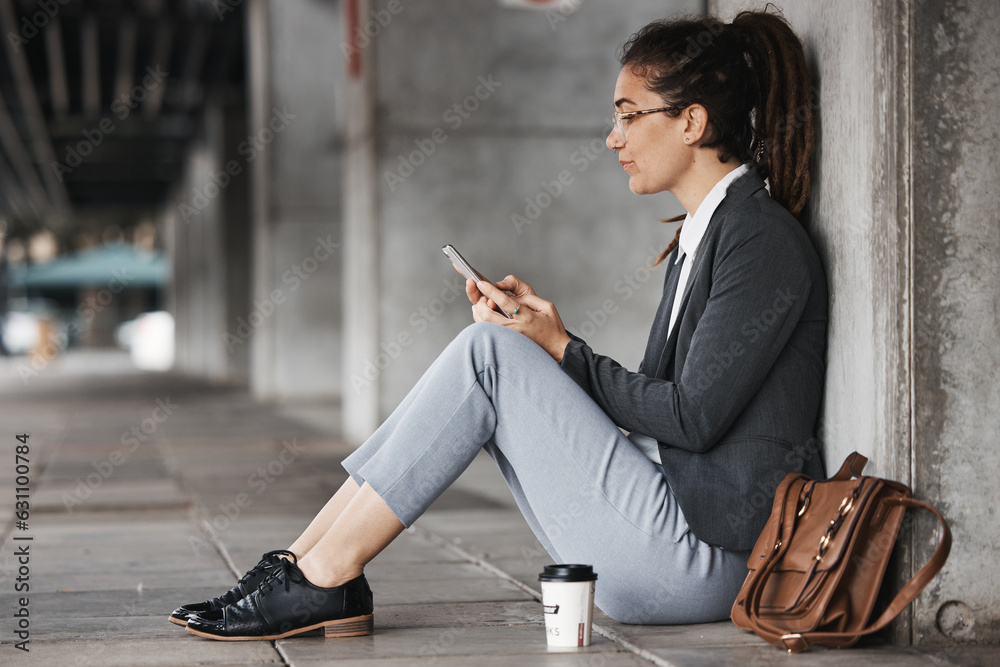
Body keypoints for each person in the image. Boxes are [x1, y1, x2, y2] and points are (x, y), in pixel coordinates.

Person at [173, 8, 827, 640]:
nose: (613, 138)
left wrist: (562, 349)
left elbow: (692, 418)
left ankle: (323, 576)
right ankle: (304, 565)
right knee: (494, 352)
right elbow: (660, 414)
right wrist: (549, 343)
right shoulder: (701, 238)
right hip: (682, 535)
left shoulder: (758, 238)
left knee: (487, 354)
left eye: (629, 116)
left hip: (716, 556)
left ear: (692, 121)